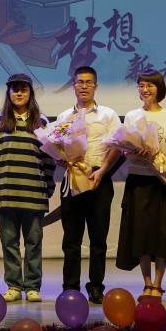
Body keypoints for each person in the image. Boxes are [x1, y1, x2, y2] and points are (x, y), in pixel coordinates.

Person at [0, 73, 55, 303]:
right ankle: (14, 286)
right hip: (6, 194)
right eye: (15, 89)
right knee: (9, 244)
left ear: (30, 93)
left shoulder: (42, 122)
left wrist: (47, 188)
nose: (19, 93)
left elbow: (49, 160)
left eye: (23, 89)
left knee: (34, 244)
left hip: (34, 194)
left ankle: (32, 286)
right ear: (9, 93)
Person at [114, 70, 166, 299]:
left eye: (149, 85)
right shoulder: (132, 116)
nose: (145, 89)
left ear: (159, 88)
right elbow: (125, 151)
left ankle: (158, 284)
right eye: (141, 86)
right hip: (138, 179)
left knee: (162, 234)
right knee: (141, 234)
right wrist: (138, 152)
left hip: (162, 181)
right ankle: (146, 283)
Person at [56, 66, 122, 304]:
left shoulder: (108, 115)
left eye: (88, 82)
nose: (84, 86)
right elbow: (57, 147)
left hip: (99, 178)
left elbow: (118, 145)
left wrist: (103, 170)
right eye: (79, 82)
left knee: (98, 238)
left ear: (96, 86)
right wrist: (60, 158)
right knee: (71, 239)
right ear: (73, 86)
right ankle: (70, 286)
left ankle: (96, 286)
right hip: (73, 178)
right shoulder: (64, 117)